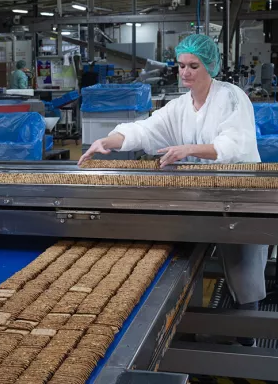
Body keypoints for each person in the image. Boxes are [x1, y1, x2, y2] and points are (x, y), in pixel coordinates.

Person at [79, 34, 266, 346]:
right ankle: (187, 324)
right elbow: (145, 129)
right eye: (181, 66)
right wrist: (109, 140)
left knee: (243, 262)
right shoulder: (179, 106)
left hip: (239, 192)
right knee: (186, 256)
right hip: (198, 195)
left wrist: (187, 149)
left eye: (194, 65)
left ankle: (248, 333)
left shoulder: (231, 98)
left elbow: (233, 145)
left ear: (211, 67)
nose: (186, 72)